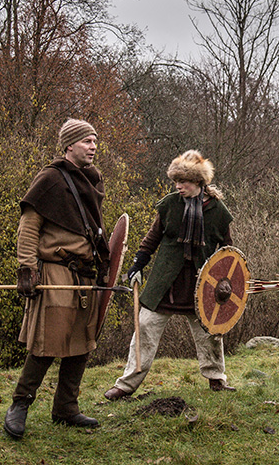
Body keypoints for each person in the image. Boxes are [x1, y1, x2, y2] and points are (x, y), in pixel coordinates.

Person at [3, 119, 110, 439]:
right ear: (69, 146)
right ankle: (20, 403)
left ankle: (66, 407)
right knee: (48, 341)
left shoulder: (93, 179)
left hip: (85, 275)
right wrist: (26, 268)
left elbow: (96, 228)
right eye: (87, 141)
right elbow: (28, 226)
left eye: (95, 141)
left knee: (82, 342)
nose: (93, 147)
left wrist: (104, 263)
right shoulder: (49, 178)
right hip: (56, 271)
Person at [103, 150, 235, 400]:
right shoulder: (170, 205)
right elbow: (153, 238)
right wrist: (138, 264)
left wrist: (224, 281)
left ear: (198, 182)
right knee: (144, 326)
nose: (178, 186)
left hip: (201, 282)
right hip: (166, 280)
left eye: (183, 181)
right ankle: (126, 384)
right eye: (175, 181)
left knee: (210, 331)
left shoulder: (217, 211)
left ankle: (216, 378)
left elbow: (228, 250)